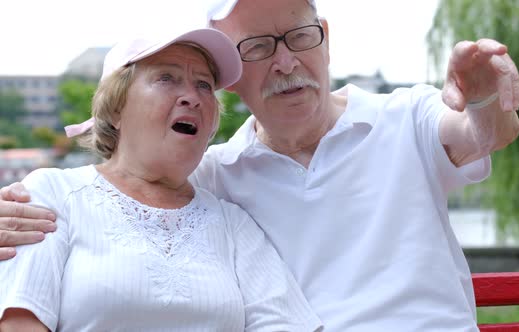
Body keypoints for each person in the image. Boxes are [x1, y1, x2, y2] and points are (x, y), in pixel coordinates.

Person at [0, 0, 519, 330]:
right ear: (237, 79)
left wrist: (481, 101)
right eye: (258, 47)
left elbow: (483, 134)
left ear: (324, 36)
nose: (286, 61)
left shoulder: (406, 114)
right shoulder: (215, 177)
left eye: (298, 36)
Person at [0, 25, 322, 332]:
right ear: (114, 108)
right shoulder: (54, 194)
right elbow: (20, 322)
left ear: (211, 126)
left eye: (204, 85)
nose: (192, 97)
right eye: (166, 78)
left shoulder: (233, 224)